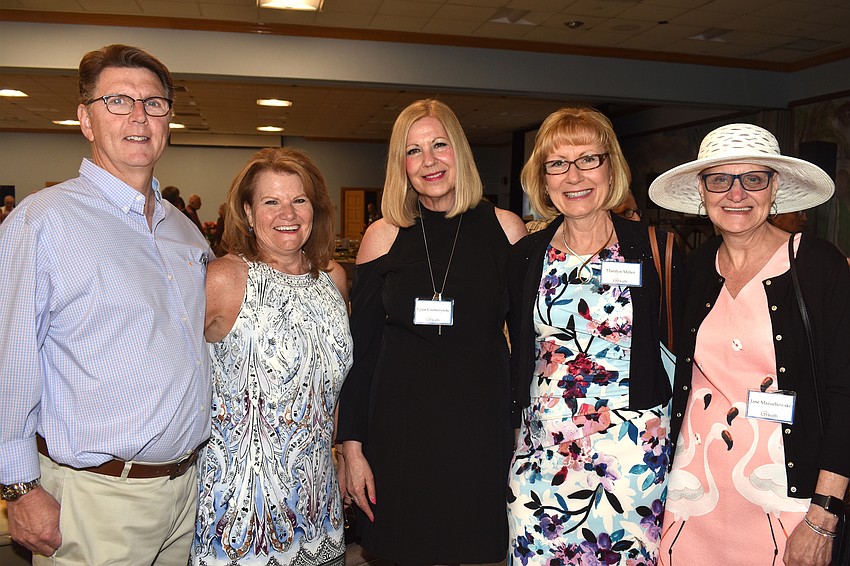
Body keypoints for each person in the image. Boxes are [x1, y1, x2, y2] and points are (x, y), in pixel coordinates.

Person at [0, 44, 211, 563]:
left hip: (189, 491)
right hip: (97, 499)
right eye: (118, 101)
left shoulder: (185, 231)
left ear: (168, 120)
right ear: (86, 120)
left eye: (153, 103)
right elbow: (11, 362)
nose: (139, 116)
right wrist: (18, 489)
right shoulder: (41, 222)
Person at [336, 98, 527, 564]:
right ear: (400, 165)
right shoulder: (383, 235)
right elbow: (360, 355)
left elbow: (527, 344)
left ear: (459, 150)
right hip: (399, 432)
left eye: (439, 145)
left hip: (479, 432)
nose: (429, 161)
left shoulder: (505, 230)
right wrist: (352, 448)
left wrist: (524, 437)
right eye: (413, 150)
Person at [648, 123, 849, 565]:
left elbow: (844, 395)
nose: (735, 193)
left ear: (774, 186)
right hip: (691, 493)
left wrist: (824, 515)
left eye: (753, 178)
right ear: (702, 191)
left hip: (786, 498)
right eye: (719, 179)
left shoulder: (819, 267)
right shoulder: (695, 267)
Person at [507, 106, 682, 564]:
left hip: (630, 461)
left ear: (612, 168)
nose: (574, 175)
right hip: (543, 460)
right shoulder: (526, 256)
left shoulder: (654, 247)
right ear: (542, 179)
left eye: (589, 159)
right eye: (557, 163)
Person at [192, 147, 353, 565]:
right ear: (247, 212)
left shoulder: (333, 280)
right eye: (271, 201)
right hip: (241, 511)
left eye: (299, 200)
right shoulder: (225, 279)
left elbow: (333, 388)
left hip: (317, 499)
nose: (289, 213)